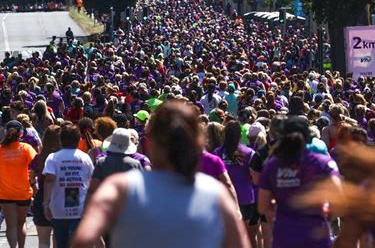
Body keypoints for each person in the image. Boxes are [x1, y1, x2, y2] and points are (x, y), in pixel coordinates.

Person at [72, 101, 251, 248]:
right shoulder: (215, 193)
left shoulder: (121, 186)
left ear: (152, 143)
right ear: (196, 142)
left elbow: (84, 238)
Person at [258, 117, 341, 248]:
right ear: (308, 137)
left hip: (284, 236)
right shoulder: (324, 162)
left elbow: (262, 207)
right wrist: (327, 215)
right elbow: (339, 197)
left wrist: (278, 216)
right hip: (317, 236)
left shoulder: (272, 164)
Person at [42, 123, 94, 248]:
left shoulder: (53, 158)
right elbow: (91, 181)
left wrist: (45, 203)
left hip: (58, 206)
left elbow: (49, 180)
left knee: (61, 242)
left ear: (61, 139)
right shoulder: (85, 157)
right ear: (78, 139)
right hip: (79, 206)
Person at [0, 120, 37, 248]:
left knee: (10, 224)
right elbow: (36, 163)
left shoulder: (0, 149)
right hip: (23, 192)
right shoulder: (26, 148)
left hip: (6, 192)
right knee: (20, 223)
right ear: (21, 133)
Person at [87, 128, 142, 197]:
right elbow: (141, 190)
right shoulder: (135, 164)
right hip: (129, 204)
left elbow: (93, 188)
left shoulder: (101, 162)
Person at [31, 126, 61, 248]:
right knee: (58, 238)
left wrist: (34, 187)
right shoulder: (61, 158)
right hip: (59, 195)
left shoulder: (39, 157)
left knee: (43, 241)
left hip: (42, 194)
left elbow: (31, 176)